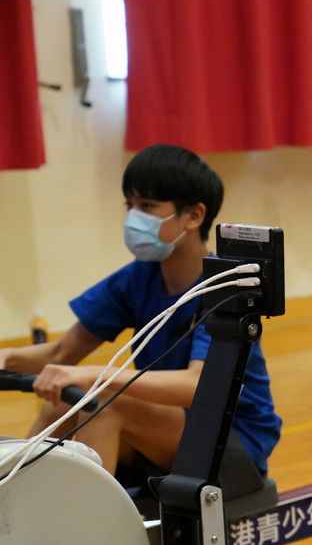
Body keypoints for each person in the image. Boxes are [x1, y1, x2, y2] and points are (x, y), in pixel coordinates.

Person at [0, 144, 280, 489]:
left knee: (101, 402)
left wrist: (93, 375)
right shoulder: (139, 277)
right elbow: (60, 353)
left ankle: (83, 519)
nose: (133, 217)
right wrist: (7, 357)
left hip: (232, 442)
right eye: (129, 205)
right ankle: (15, 498)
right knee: (67, 402)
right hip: (170, 428)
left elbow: (198, 386)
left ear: (194, 216)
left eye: (147, 206)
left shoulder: (224, 286)